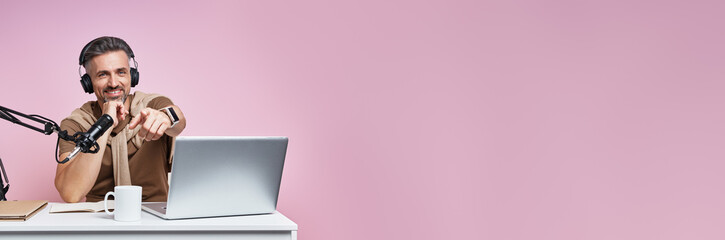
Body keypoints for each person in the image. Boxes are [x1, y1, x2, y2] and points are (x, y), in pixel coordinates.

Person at [55, 36, 186, 203]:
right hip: (99, 218)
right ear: (88, 82)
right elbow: (70, 194)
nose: (113, 83)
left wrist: (166, 117)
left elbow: (178, 120)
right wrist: (105, 122)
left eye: (121, 72)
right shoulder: (75, 124)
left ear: (132, 75)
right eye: (102, 75)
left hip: (155, 218)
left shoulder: (152, 104)